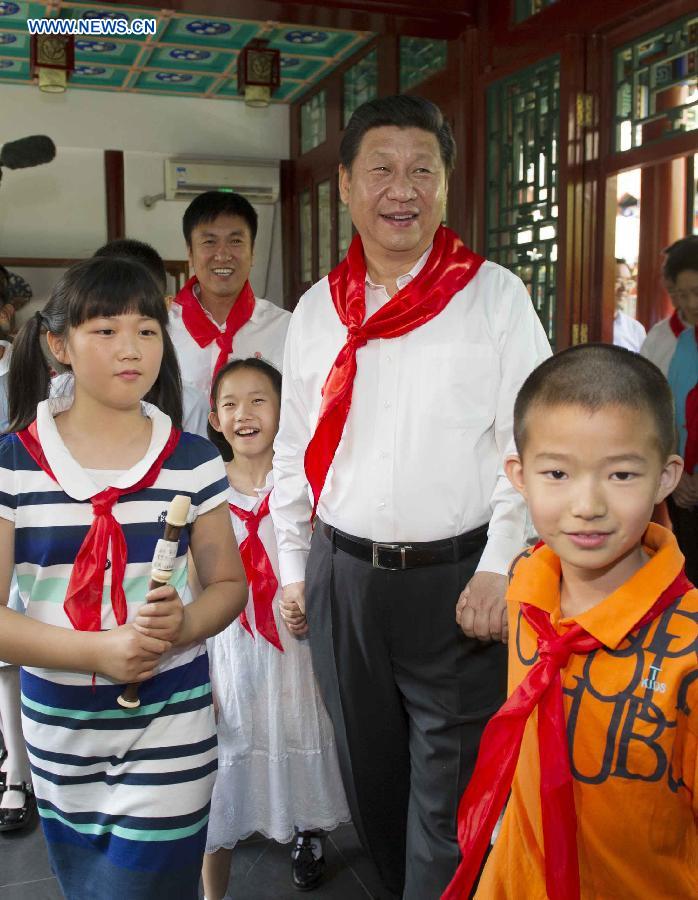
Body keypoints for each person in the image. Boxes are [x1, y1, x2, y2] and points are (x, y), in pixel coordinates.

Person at [271, 95, 551, 898]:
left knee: (450, 797)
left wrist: (501, 564)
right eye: (382, 171)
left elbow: (527, 445)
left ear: (446, 186)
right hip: (342, 581)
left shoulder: (493, 295)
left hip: (460, 584)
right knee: (371, 779)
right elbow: (294, 449)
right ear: (349, 190)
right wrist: (295, 567)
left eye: (422, 171)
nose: (404, 190)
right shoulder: (319, 309)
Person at [0, 256, 248, 898]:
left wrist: (184, 624)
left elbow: (228, 584)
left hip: (172, 714)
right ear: (59, 344)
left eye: (146, 330)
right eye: (104, 331)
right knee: (88, 886)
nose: (130, 349)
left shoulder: (193, 459)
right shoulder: (12, 465)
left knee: (146, 888)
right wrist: (99, 652)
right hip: (59, 725)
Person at [444, 343, 697, 900]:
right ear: (519, 475)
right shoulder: (529, 587)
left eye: (622, 474)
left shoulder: (690, 649)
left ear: (665, 477)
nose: (587, 503)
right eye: (557, 472)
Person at [202, 358, 350, 899]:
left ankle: (304, 832)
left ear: (283, 410)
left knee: (298, 726)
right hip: (231, 648)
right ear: (215, 418)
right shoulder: (206, 490)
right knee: (225, 761)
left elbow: (327, 559)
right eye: (231, 404)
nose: (245, 414)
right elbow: (192, 583)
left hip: (295, 646)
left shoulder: (308, 484)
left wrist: (307, 598)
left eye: (259, 400)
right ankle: (212, 885)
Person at [169, 191, 290, 399]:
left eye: (235, 242)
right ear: (190, 253)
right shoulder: (162, 327)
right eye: (209, 242)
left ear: (252, 252)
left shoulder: (286, 328)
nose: (223, 255)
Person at [641, 236, 698, 584]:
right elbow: (657, 409)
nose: (688, 302)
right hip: (681, 478)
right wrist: (677, 472)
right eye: (679, 292)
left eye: (695, 291)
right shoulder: (672, 342)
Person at [612, 258, 645, 352]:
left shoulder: (635, 329)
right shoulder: (585, 326)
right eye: (618, 281)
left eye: (628, 282)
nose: (624, 288)